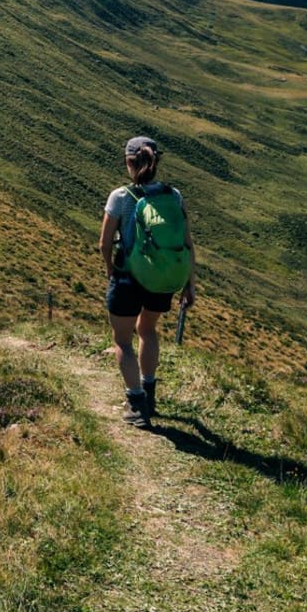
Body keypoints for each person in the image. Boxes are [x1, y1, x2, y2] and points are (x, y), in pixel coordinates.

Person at [99, 136, 196, 427]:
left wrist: (110, 270)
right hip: (163, 278)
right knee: (148, 330)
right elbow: (187, 243)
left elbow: (104, 243)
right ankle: (149, 390)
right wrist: (190, 283)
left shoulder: (120, 197)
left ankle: (136, 403)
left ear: (129, 163)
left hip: (128, 277)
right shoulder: (173, 195)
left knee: (123, 342)